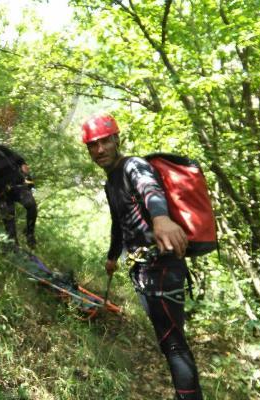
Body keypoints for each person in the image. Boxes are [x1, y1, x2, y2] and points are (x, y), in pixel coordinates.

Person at [82, 114, 203, 400]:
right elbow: (118, 222)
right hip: (144, 270)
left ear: (116, 140)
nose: (99, 150)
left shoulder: (133, 165)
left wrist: (161, 218)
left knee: (173, 345)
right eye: (92, 145)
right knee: (169, 342)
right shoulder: (111, 182)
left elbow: (150, 189)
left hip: (160, 265)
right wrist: (112, 256)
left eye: (104, 142)